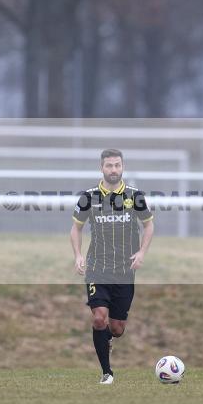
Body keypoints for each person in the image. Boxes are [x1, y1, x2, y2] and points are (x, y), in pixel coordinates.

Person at [70, 149, 155, 384]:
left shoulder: (135, 196)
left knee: (117, 329)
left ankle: (105, 338)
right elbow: (75, 229)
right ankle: (107, 373)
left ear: (123, 167)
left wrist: (142, 252)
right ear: (101, 168)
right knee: (99, 318)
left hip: (125, 272)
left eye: (117, 165)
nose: (114, 170)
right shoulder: (88, 197)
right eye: (109, 165)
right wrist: (78, 255)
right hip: (97, 268)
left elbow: (148, 226)